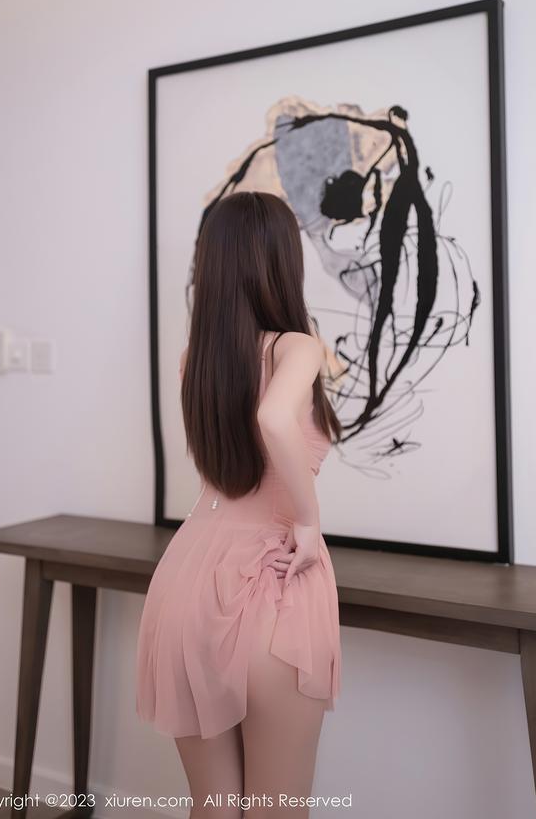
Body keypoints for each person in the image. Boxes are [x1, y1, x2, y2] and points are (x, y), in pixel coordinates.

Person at [135, 190, 342, 818]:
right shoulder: (297, 347)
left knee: (214, 809)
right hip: (270, 581)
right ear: (282, 260)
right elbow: (274, 416)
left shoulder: (195, 361)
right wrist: (307, 520)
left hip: (186, 579)